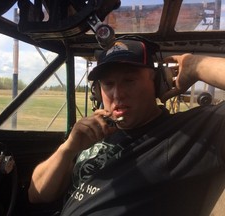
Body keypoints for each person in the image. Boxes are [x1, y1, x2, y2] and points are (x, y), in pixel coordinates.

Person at [28, 37, 225, 216]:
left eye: (129, 80)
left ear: (157, 84)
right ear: (97, 92)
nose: (117, 94)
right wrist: (69, 148)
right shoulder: (92, 133)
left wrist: (196, 65)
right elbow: (36, 195)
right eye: (108, 84)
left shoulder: (182, 134)